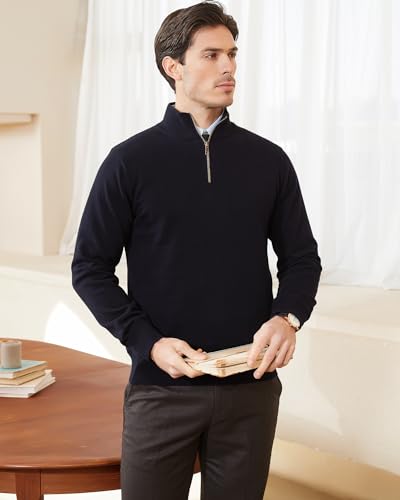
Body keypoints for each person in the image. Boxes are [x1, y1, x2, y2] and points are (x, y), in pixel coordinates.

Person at [71, 1, 322, 498]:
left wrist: (287, 317)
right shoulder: (129, 162)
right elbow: (89, 268)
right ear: (174, 67)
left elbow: (301, 259)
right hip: (161, 390)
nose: (228, 66)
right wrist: (147, 342)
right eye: (211, 55)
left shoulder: (269, 161)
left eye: (232, 54)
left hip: (251, 389)